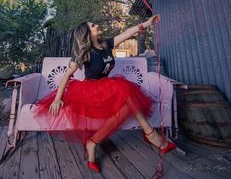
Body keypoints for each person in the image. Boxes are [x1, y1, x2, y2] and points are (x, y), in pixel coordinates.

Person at [33, 15, 176, 173]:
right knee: (124, 91)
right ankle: (150, 134)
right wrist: (57, 99)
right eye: (93, 25)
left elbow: (126, 33)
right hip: (90, 92)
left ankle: (93, 142)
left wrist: (146, 24)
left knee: (127, 100)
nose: (96, 26)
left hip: (108, 89)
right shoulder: (84, 52)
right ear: (87, 33)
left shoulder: (106, 44)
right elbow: (67, 75)